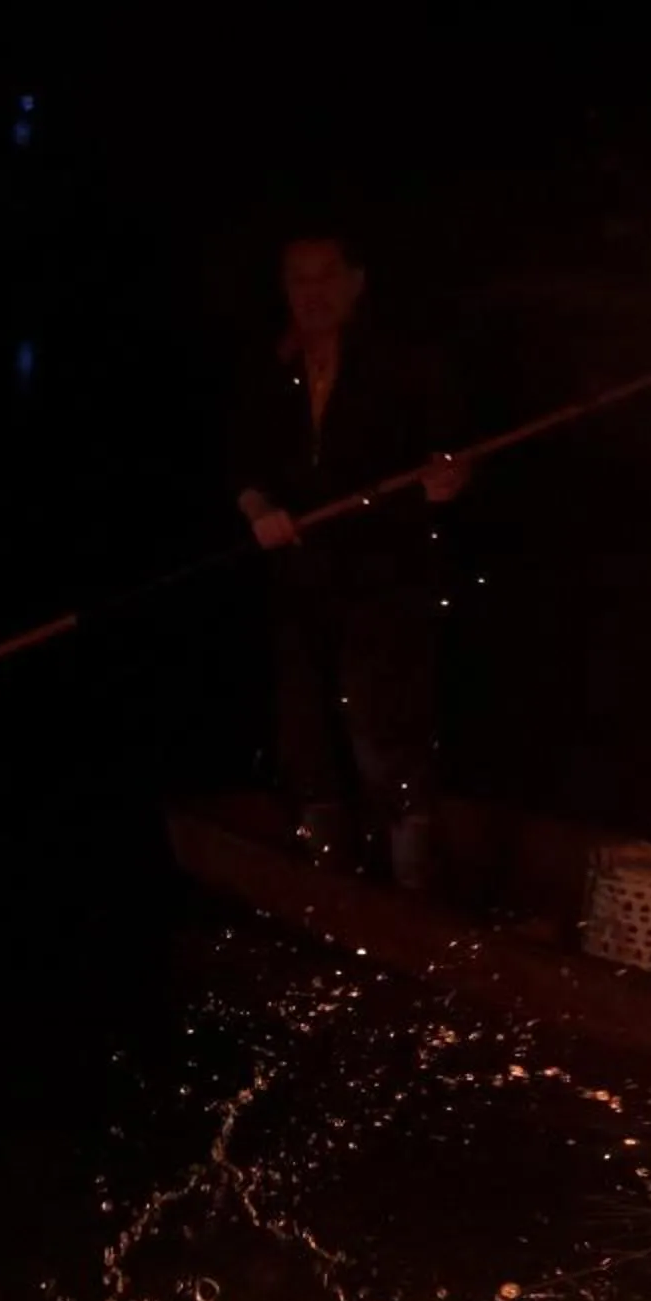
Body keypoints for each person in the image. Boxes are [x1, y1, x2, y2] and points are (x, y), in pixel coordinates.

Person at [227, 231, 468, 889]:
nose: (313, 293)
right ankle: (328, 880)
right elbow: (243, 464)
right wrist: (259, 512)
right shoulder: (271, 367)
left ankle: (414, 885)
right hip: (299, 573)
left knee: (380, 720)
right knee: (303, 723)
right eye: (299, 280)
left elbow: (447, 452)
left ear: (355, 283)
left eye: (326, 277)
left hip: (386, 572)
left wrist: (447, 476)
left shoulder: (401, 363)